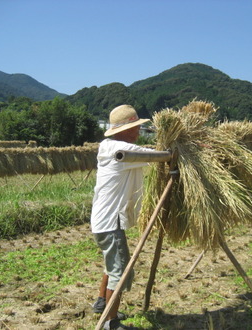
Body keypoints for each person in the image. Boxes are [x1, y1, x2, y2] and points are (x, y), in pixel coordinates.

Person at [91, 104, 152, 330]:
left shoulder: (110, 146)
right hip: (109, 223)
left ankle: (101, 303)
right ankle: (110, 322)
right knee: (120, 271)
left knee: (112, 265)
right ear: (123, 130)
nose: (138, 132)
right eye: (134, 127)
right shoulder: (121, 151)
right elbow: (155, 155)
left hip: (105, 221)